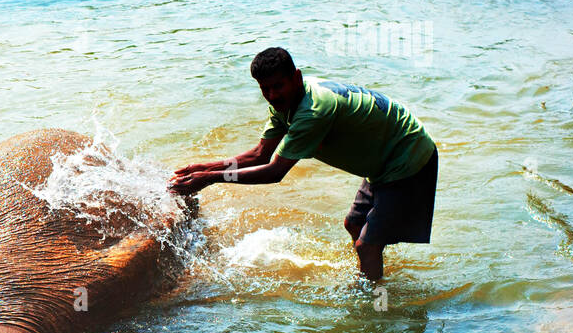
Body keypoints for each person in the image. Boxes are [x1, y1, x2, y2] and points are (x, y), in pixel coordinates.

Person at [168, 47, 437, 281]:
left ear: (296, 78)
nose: (272, 95)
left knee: (367, 245)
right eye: (265, 89)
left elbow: (274, 172)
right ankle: (373, 272)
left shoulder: (313, 111)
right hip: (383, 156)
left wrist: (212, 179)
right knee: (354, 225)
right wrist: (203, 169)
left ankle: (374, 304)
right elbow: (260, 154)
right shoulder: (286, 103)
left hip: (406, 156)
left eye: (277, 86)